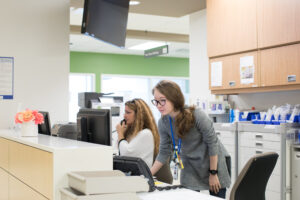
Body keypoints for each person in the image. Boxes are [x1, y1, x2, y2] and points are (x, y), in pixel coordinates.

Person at [150, 80, 231, 198]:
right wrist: (147, 175)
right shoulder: (163, 122)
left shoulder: (197, 114)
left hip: (213, 164)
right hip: (189, 167)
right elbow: (164, 152)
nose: (158, 105)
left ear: (174, 98)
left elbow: (212, 143)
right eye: (156, 101)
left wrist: (213, 173)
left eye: (162, 100)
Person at [116, 98, 160, 169]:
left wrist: (120, 134)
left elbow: (126, 153)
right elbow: (121, 150)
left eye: (128, 112)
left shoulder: (146, 133)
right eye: (125, 112)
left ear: (138, 115)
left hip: (140, 176)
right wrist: (123, 133)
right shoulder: (131, 131)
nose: (124, 116)